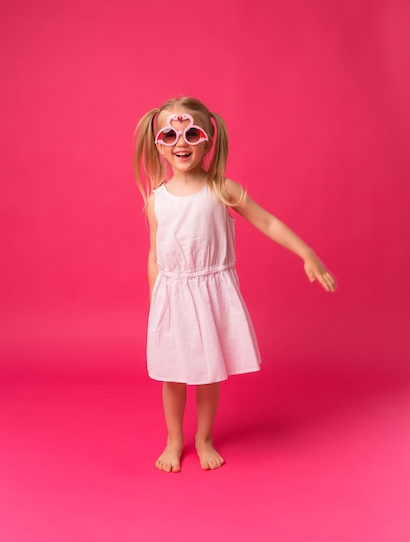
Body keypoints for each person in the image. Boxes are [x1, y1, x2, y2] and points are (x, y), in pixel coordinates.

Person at [134, 96, 336, 473]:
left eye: (191, 133)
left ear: (208, 140)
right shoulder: (156, 201)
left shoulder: (221, 188)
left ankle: (204, 437)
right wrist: (155, 304)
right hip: (173, 295)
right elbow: (154, 256)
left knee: (209, 373)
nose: (181, 142)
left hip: (211, 292)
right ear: (159, 144)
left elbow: (267, 222)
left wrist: (306, 252)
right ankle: (174, 439)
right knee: (174, 377)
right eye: (171, 134)